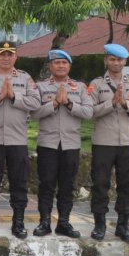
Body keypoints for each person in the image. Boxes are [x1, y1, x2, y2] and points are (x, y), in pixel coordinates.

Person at [0, 41, 41, 238]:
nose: (5, 57)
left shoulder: (25, 78)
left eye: (9, 54)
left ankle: (18, 221)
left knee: (19, 182)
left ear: (15, 57)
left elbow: (35, 102)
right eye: (2, 54)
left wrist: (13, 96)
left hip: (17, 139)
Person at [88, 43, 129, 243]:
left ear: (125, 61)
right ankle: (100, 224)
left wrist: (125, 103)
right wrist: (111, 103)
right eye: (112, 59)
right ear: (106, 60)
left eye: (120, 59)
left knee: (127, 184)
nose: (116, 63)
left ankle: (123, 226)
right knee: (100, 184)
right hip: (103, 142)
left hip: (127, 142)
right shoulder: (96, 84)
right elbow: (89, 112)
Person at [30, 50, 93, 238]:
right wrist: (55, 103)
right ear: (50, 66)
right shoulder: (40, 87)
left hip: (71, 144)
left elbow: (88, 113)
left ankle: (64, 222)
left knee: (67, 185)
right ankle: (44, 222)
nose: (60, 66)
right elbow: (34, 113)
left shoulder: (80, 87)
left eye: (64, 63)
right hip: (48, 144)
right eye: (56, 63)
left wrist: (69, 104)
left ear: (69, 66)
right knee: (46, 184)